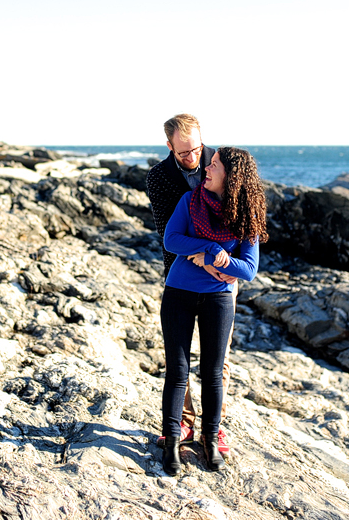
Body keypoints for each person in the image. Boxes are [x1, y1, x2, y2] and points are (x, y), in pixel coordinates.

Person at [159, 146, 268, 475]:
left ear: (231, 176)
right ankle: (173, 440)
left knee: (213, 372)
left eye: (215, 164)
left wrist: (216, 262)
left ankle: (209, 438)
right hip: (178, 292)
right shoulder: (189, 202)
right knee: (178, 372)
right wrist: (210, 248)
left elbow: (248, 269)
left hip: (219, 298)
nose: (207, 167)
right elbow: (171, 240)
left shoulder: (247, 215)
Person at [146, 115, 236, 455]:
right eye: (183, 152)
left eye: (197, 148)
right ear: (169, 146)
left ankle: (214, 426)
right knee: (178, 357)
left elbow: (242, 217)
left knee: (219, 358)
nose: (193, 156)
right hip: (181, 274)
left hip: (223, 278)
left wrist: (228, 266)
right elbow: (168, 231)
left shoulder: (222, 163)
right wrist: (206, 256)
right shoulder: (158, 177)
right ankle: (182, 422)